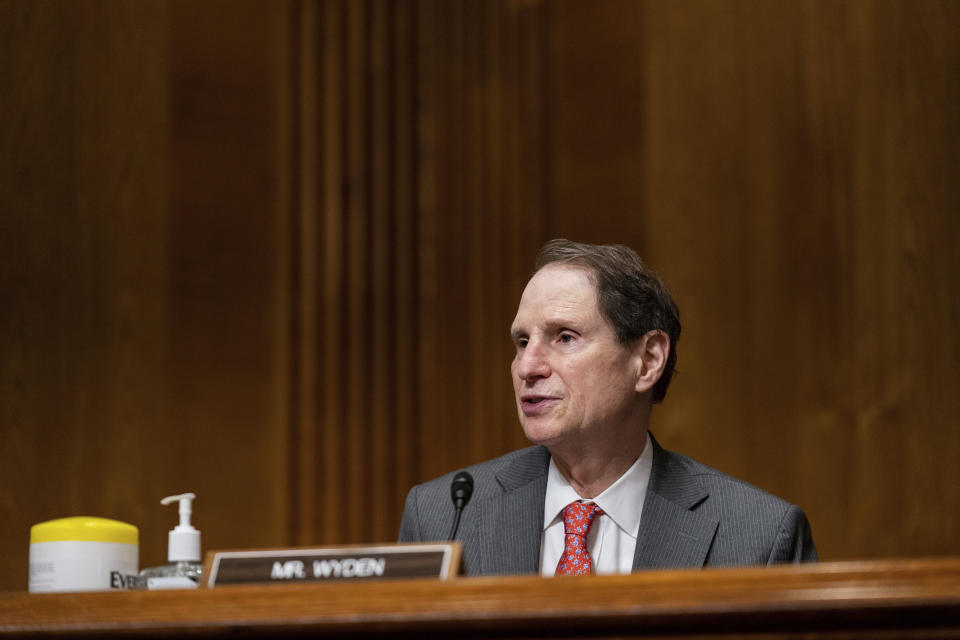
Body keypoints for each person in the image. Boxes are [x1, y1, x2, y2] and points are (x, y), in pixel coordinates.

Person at [398, 239, 816, 575]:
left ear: (648, 360)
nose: (527, 366)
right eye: (522, 341)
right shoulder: (443, 518)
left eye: (565, 337)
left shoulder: (758, 538)